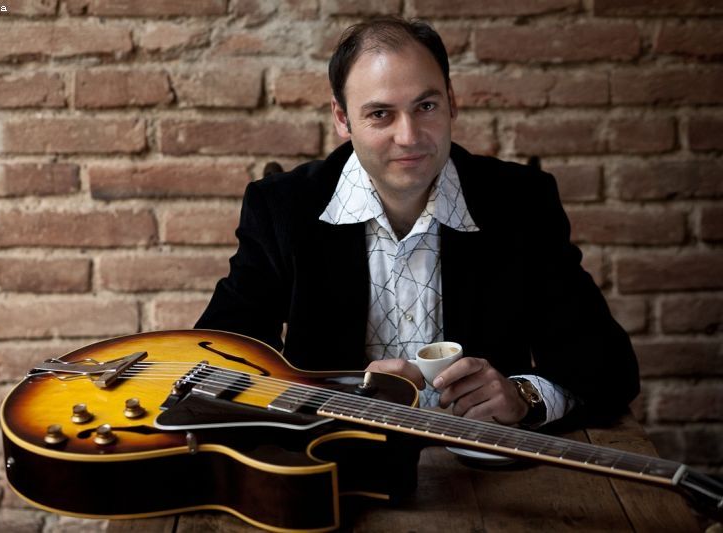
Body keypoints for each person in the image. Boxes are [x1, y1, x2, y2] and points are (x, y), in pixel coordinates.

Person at [196, 16, 639, 428]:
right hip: (335, 462)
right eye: (380, 114)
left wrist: (524, 396)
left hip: (488, 467)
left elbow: (611, 368)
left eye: (425, 106)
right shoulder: (281, 208)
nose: (408, 137)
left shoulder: (521, 202)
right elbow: (210, 368)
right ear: (342, 118)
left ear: (452, 102)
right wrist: (341, 396)